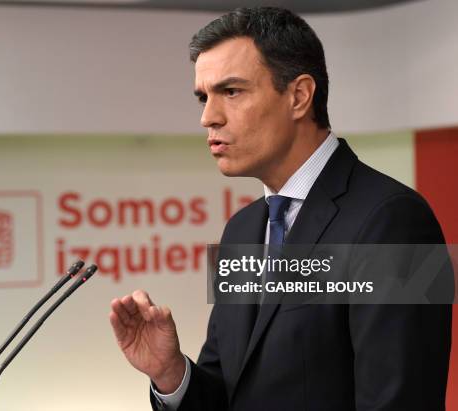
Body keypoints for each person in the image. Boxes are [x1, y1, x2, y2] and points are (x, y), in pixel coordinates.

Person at [109, 7, 452, 410]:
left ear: (299, 96)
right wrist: (170, 374)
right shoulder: (242, 230)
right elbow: (229, 394)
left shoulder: (393, 220)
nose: (207, 117)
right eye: (204, 97)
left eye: (231, 92)